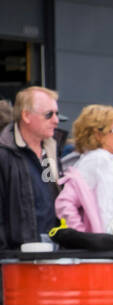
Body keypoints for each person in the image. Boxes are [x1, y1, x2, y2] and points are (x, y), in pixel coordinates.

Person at [0, 85, 62, 249]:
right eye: (49, 114)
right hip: (16, 257)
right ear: (26, 116)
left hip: (50, 251)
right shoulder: (4, 154)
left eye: (56, 114)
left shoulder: (50, 152)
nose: (56, 120)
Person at [56, 105, 113, 231]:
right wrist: (82, 235)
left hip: (107, 244)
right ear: (98, 135)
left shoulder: (100, 160)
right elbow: (65, 202)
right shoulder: (98, 160)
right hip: (100, 246)